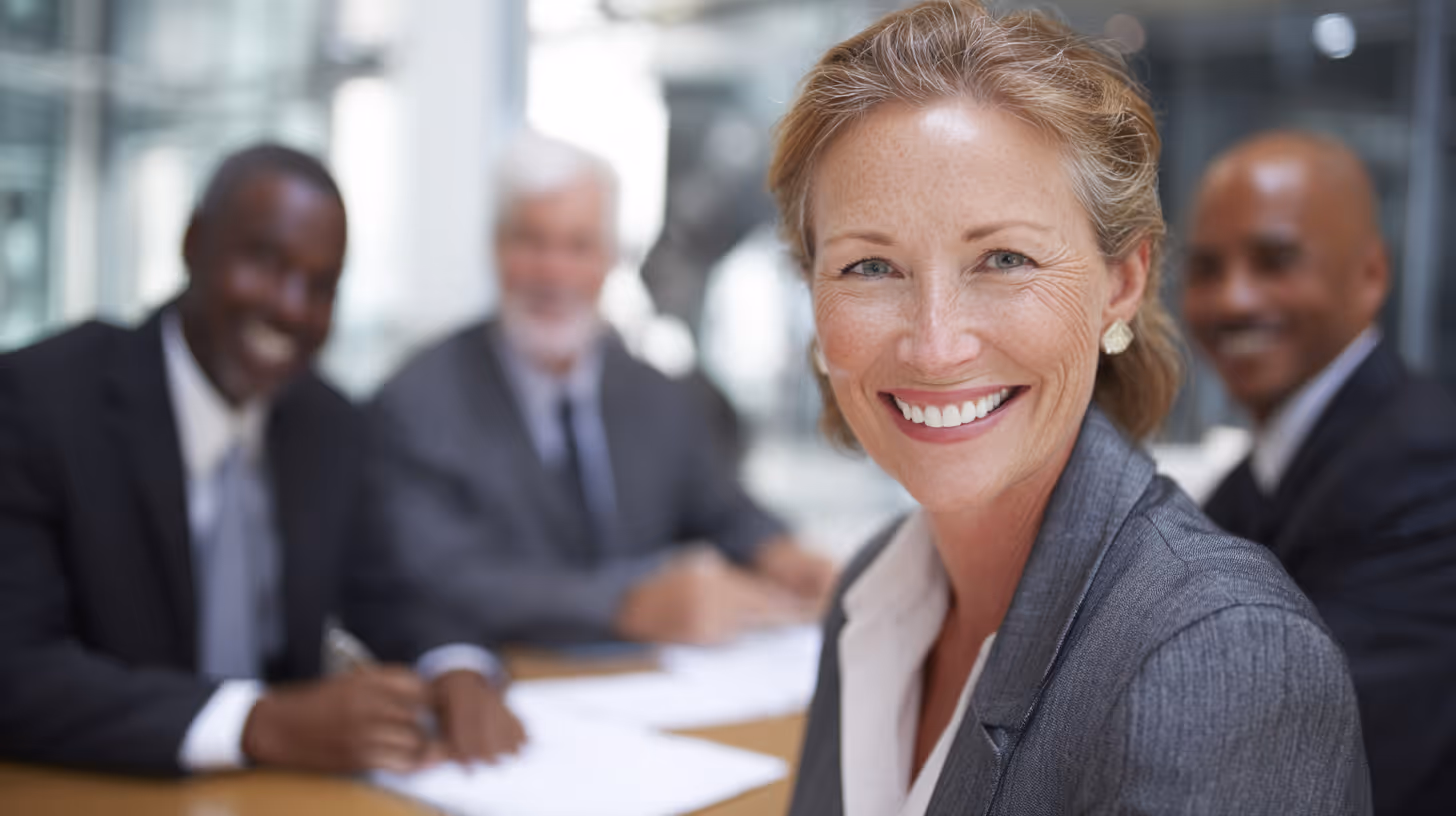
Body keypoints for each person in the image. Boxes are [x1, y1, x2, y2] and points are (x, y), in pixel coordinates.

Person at [770, 3, 1370, 814]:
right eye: (870, 267)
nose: (934, 345)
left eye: (1004, 259)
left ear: (1120, 284)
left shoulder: (1221, 659)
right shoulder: (872, 589)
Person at [0, 145, 523, 777]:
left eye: (321, 287)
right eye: (265, 262)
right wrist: (259, 722)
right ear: (193, 243)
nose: (291, 308)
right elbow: (17, 670)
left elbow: (389, 590)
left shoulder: (329, 424)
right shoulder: (40, 401)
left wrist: (457, 665)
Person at [363, 132, 837, 646]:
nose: (553, 271)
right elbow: (440, 577)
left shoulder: (658, 395)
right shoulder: (416, 404)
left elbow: (719, 506)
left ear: (610, 258)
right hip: (496, 689)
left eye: (578, 246)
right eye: (531, 241)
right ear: (496, 248)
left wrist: (780, 551)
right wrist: (627, 605)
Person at [1185, 130, 1456, 815]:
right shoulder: (1245, 486)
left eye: (1274, 261)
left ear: (1370, 276)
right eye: (1206, 268)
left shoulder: (1429, 467)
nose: (1233, 300)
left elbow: (1316, 752)